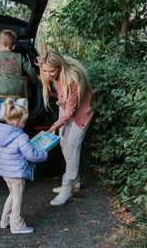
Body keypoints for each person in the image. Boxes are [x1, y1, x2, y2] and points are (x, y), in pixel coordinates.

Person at [37, 50, 94, 206]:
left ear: (60, 67)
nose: (48, 74)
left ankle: (67, 189)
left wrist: (55, 125)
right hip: (66, 105)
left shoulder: (72, 80)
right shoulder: (52, 74)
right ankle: (75, 182)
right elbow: (65, 103)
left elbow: (70, 112)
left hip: (81, 112)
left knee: (72, 147)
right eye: (45, 70)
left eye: (51, 71)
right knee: (63, 143)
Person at [0, 98, 48, 234]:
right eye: (24, 121)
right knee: (17, 199)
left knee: (12, 195)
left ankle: (4, 220)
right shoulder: (20, 137)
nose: (24, 124)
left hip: (6, 172)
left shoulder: (0, 132)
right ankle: (17, 225)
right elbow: (31, 155)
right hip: (17, 173)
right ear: (16, 121)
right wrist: (44, 154)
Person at [0, 29, 38, 112]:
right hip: (17, 94)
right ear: (13, 46)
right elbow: (31, 72)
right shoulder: (20, 57)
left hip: (0, 94)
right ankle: (11, 105)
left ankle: (4, 105)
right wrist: (35, 81)